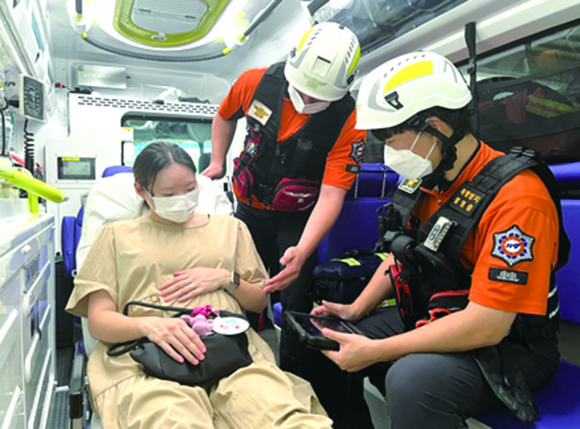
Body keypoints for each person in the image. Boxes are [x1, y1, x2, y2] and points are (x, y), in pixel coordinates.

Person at [309, 51, 570, 428]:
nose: (387, 151)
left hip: (511, 343)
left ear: (434, 127)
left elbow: (489, 324)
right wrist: (355, 310)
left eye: (389, 138)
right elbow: (403, 254)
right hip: (437, 311)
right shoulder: (427, 181)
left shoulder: (518, 197)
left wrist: (378, 350)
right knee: (324, 340)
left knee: (411, 382)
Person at [66, 142, 332, 429]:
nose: (182, 199)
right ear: (141, 191)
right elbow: (99, 322)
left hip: (232, 354)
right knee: (174, 421)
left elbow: (257, 303)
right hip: (146, 359)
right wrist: (150, 326)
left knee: (285, 419)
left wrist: (227, 279)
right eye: (169, 194)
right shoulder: (115, 236)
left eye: (190, 188)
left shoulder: (231, 229)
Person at [201, 22, 366, 379]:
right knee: (241, 287)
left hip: (298, 219)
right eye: (303, 91)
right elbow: (224, 116)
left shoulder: (351, 121)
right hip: (248, 209)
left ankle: (293, 375)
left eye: (319, 98)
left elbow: (331, 195)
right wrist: (216, 162)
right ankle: (235, 363)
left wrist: (303, 251)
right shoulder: (254, 82)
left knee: (295, 296)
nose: (308, 101)